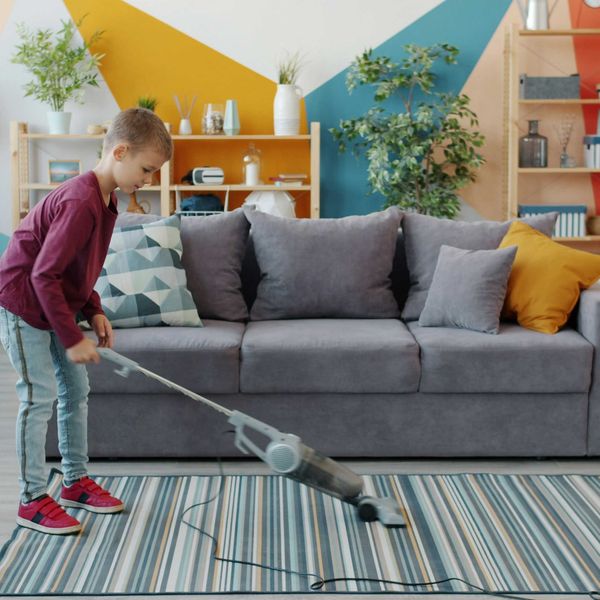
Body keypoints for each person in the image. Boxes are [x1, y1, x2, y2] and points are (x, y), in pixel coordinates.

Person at [0, 108, 173, 535]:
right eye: (146, 169)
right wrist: (71, 338)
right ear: (119, 151)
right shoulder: (81, 201)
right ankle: (31, 499)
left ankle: (74, 482)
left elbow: (79, 269)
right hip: (24, 304)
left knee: (76, 390)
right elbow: (42, 274)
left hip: (53, 301)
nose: (148, 180)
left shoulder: (107, 199)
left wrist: (94, 309)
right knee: (39, 396)